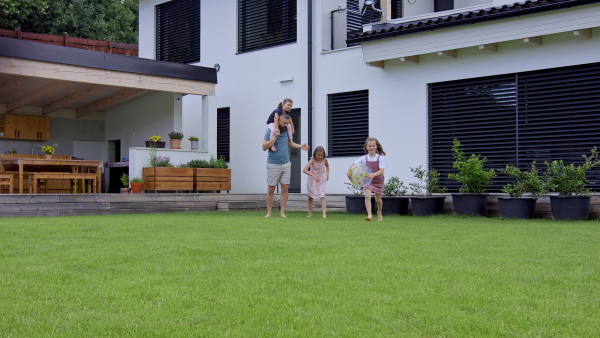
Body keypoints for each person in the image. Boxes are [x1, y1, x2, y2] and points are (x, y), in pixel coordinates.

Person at [263, 112, 309, 217]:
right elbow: (264, 147)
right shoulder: (270, 130)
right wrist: (275, 137)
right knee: (271, 188)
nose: (286, 125)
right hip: (273, 163)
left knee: (285, 187)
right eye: (284, 123)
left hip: (286, 163)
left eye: (287, 123)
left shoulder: (286, 130)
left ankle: (282, 213)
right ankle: (269, 213)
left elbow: (290, 143)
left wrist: (301, 146)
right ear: (278, 121)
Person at [346, 137, 386, 221]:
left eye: (373, 146)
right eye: (370, 146)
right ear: (366, 147)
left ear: (376, 146)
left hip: (378, 180)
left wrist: (373, 174)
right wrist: (348, 171)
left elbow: (381, 171)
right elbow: (353, 164)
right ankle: (369, 215)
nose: (371, 148)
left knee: (378, 200)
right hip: (368, 181)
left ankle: (379, 212)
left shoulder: (380, 158)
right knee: (367, 196)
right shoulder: (364, 158)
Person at [303, 146, 330, 218]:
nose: (320, 157)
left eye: (322, 155)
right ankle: (310, 213)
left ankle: (324, 214)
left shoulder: (325, 160)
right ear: (315, 154)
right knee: (310, 197)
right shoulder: (312, 160)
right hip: (312, 180)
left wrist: (327, 174)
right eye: (318, 155)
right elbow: (305, 170)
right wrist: (313, 175)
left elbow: (327, 166)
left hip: (321, 179)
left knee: (322, 195)